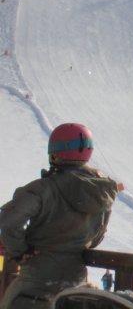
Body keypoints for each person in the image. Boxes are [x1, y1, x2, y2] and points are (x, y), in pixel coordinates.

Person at [0, 123, 119, 309]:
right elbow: (96, 239)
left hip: (35, 283)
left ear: (54, 152)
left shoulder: (42, 188)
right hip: (75, 286)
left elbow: (9, 223)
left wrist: (21, 251)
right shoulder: (102, 192)